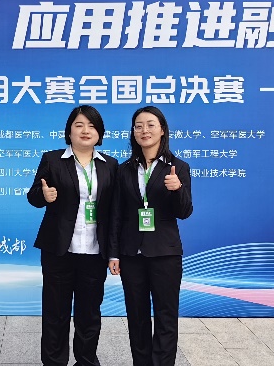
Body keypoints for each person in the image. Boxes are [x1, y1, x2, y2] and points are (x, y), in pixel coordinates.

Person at [27, 105, 118, 366]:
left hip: (95, 252)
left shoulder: (111, 165)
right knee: (55, 313)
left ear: (100, 133)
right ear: (69, 131)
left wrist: (114, 252)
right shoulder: (52, 159)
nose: (85, 130)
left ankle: (86, 361)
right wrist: (44, 196)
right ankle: (54, 362)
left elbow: (114, 213)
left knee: (89, 314)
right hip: (59, 250)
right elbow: (33, 196)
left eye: (92, 126)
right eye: (79, 125)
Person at [108, 106, 193, 366]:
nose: (144, 130)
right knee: (137, 317)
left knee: (166, 317)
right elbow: (116, 215)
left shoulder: (178, 167)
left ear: (162, 130)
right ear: (133, 133)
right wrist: (113, 253)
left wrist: (177, 189)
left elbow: (184, 212)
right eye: (138, 126)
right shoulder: (123, 170)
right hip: (131, 254)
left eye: (150, 125)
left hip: (165, 254)